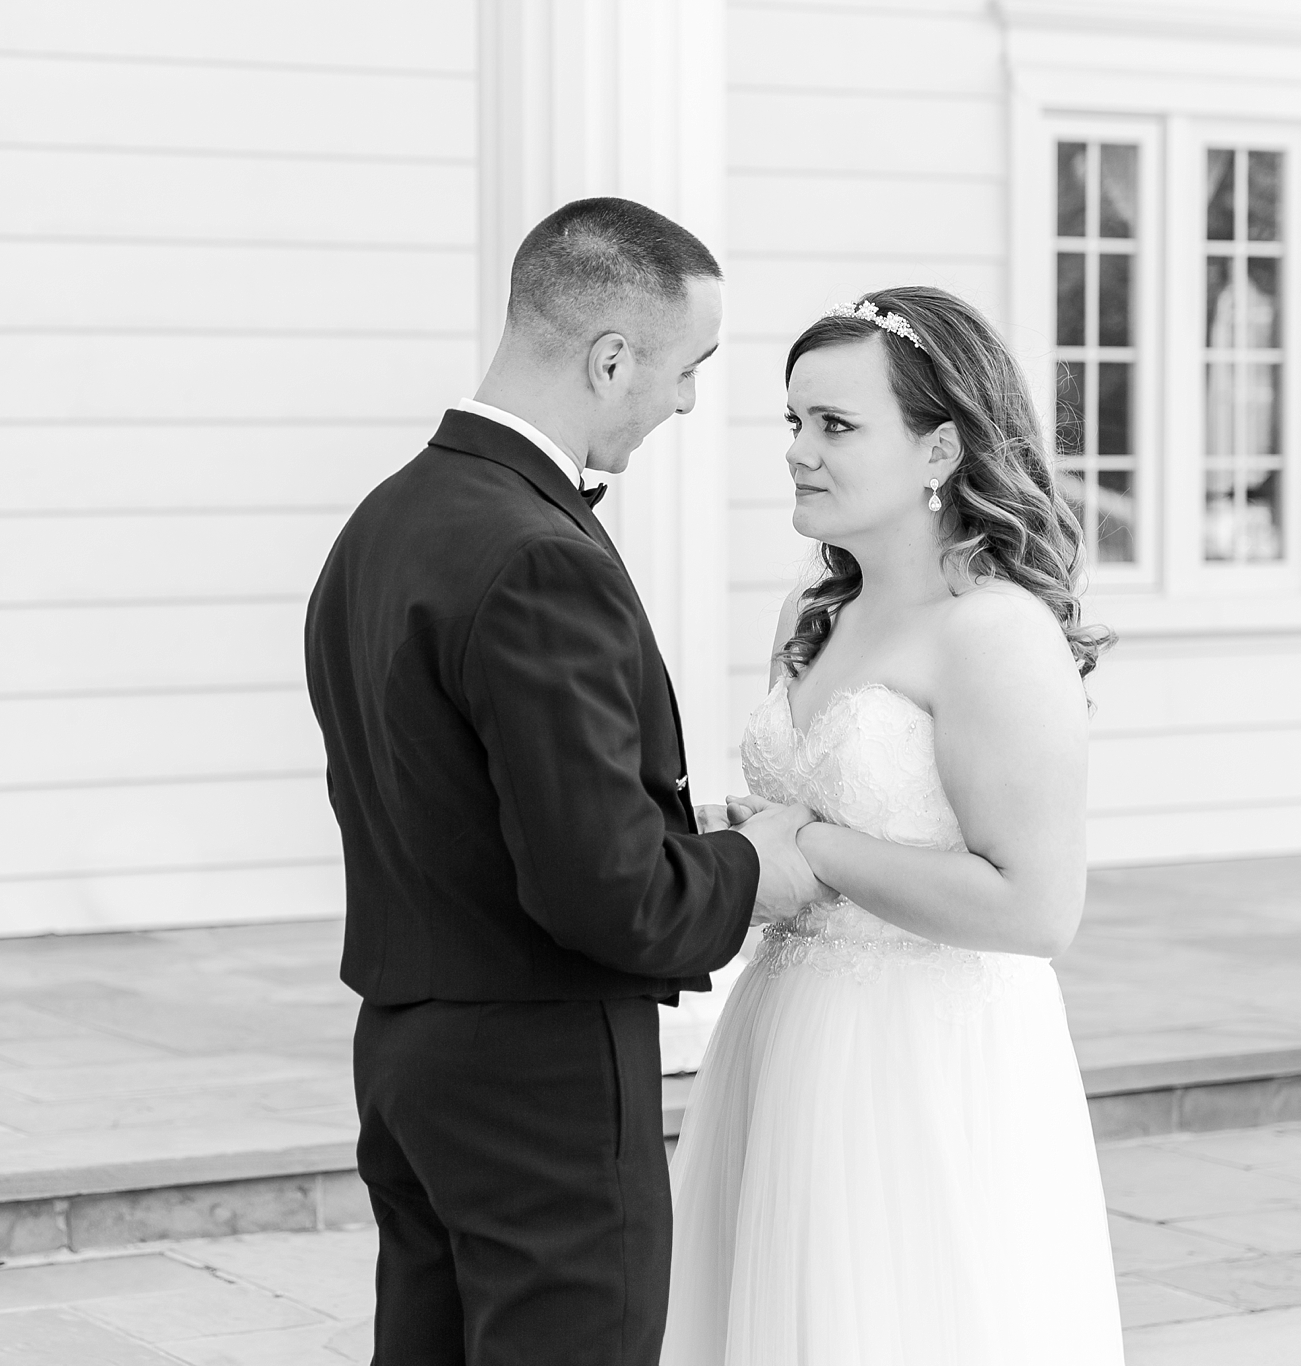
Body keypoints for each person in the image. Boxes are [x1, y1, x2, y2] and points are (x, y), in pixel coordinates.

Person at [304, 197, 820, 1366]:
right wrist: (756, 864)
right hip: (535, 1080)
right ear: (609, 357)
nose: (686, 401)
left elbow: (449, 789)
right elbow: (604, 895)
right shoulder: (539, 554)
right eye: (686, 370)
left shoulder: (383, 520)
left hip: (408, 1054)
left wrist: (659, 821)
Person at [664, 287, 1126, 1363]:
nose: (796, 451)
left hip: (920, 1061)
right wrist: (740, 838)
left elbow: (1035, 907)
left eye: (834, 425)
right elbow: (802, 811)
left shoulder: (993, 634)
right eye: (791, 422)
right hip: (781, 1030)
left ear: (937, 451)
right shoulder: (809, 615)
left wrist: (814, 848)